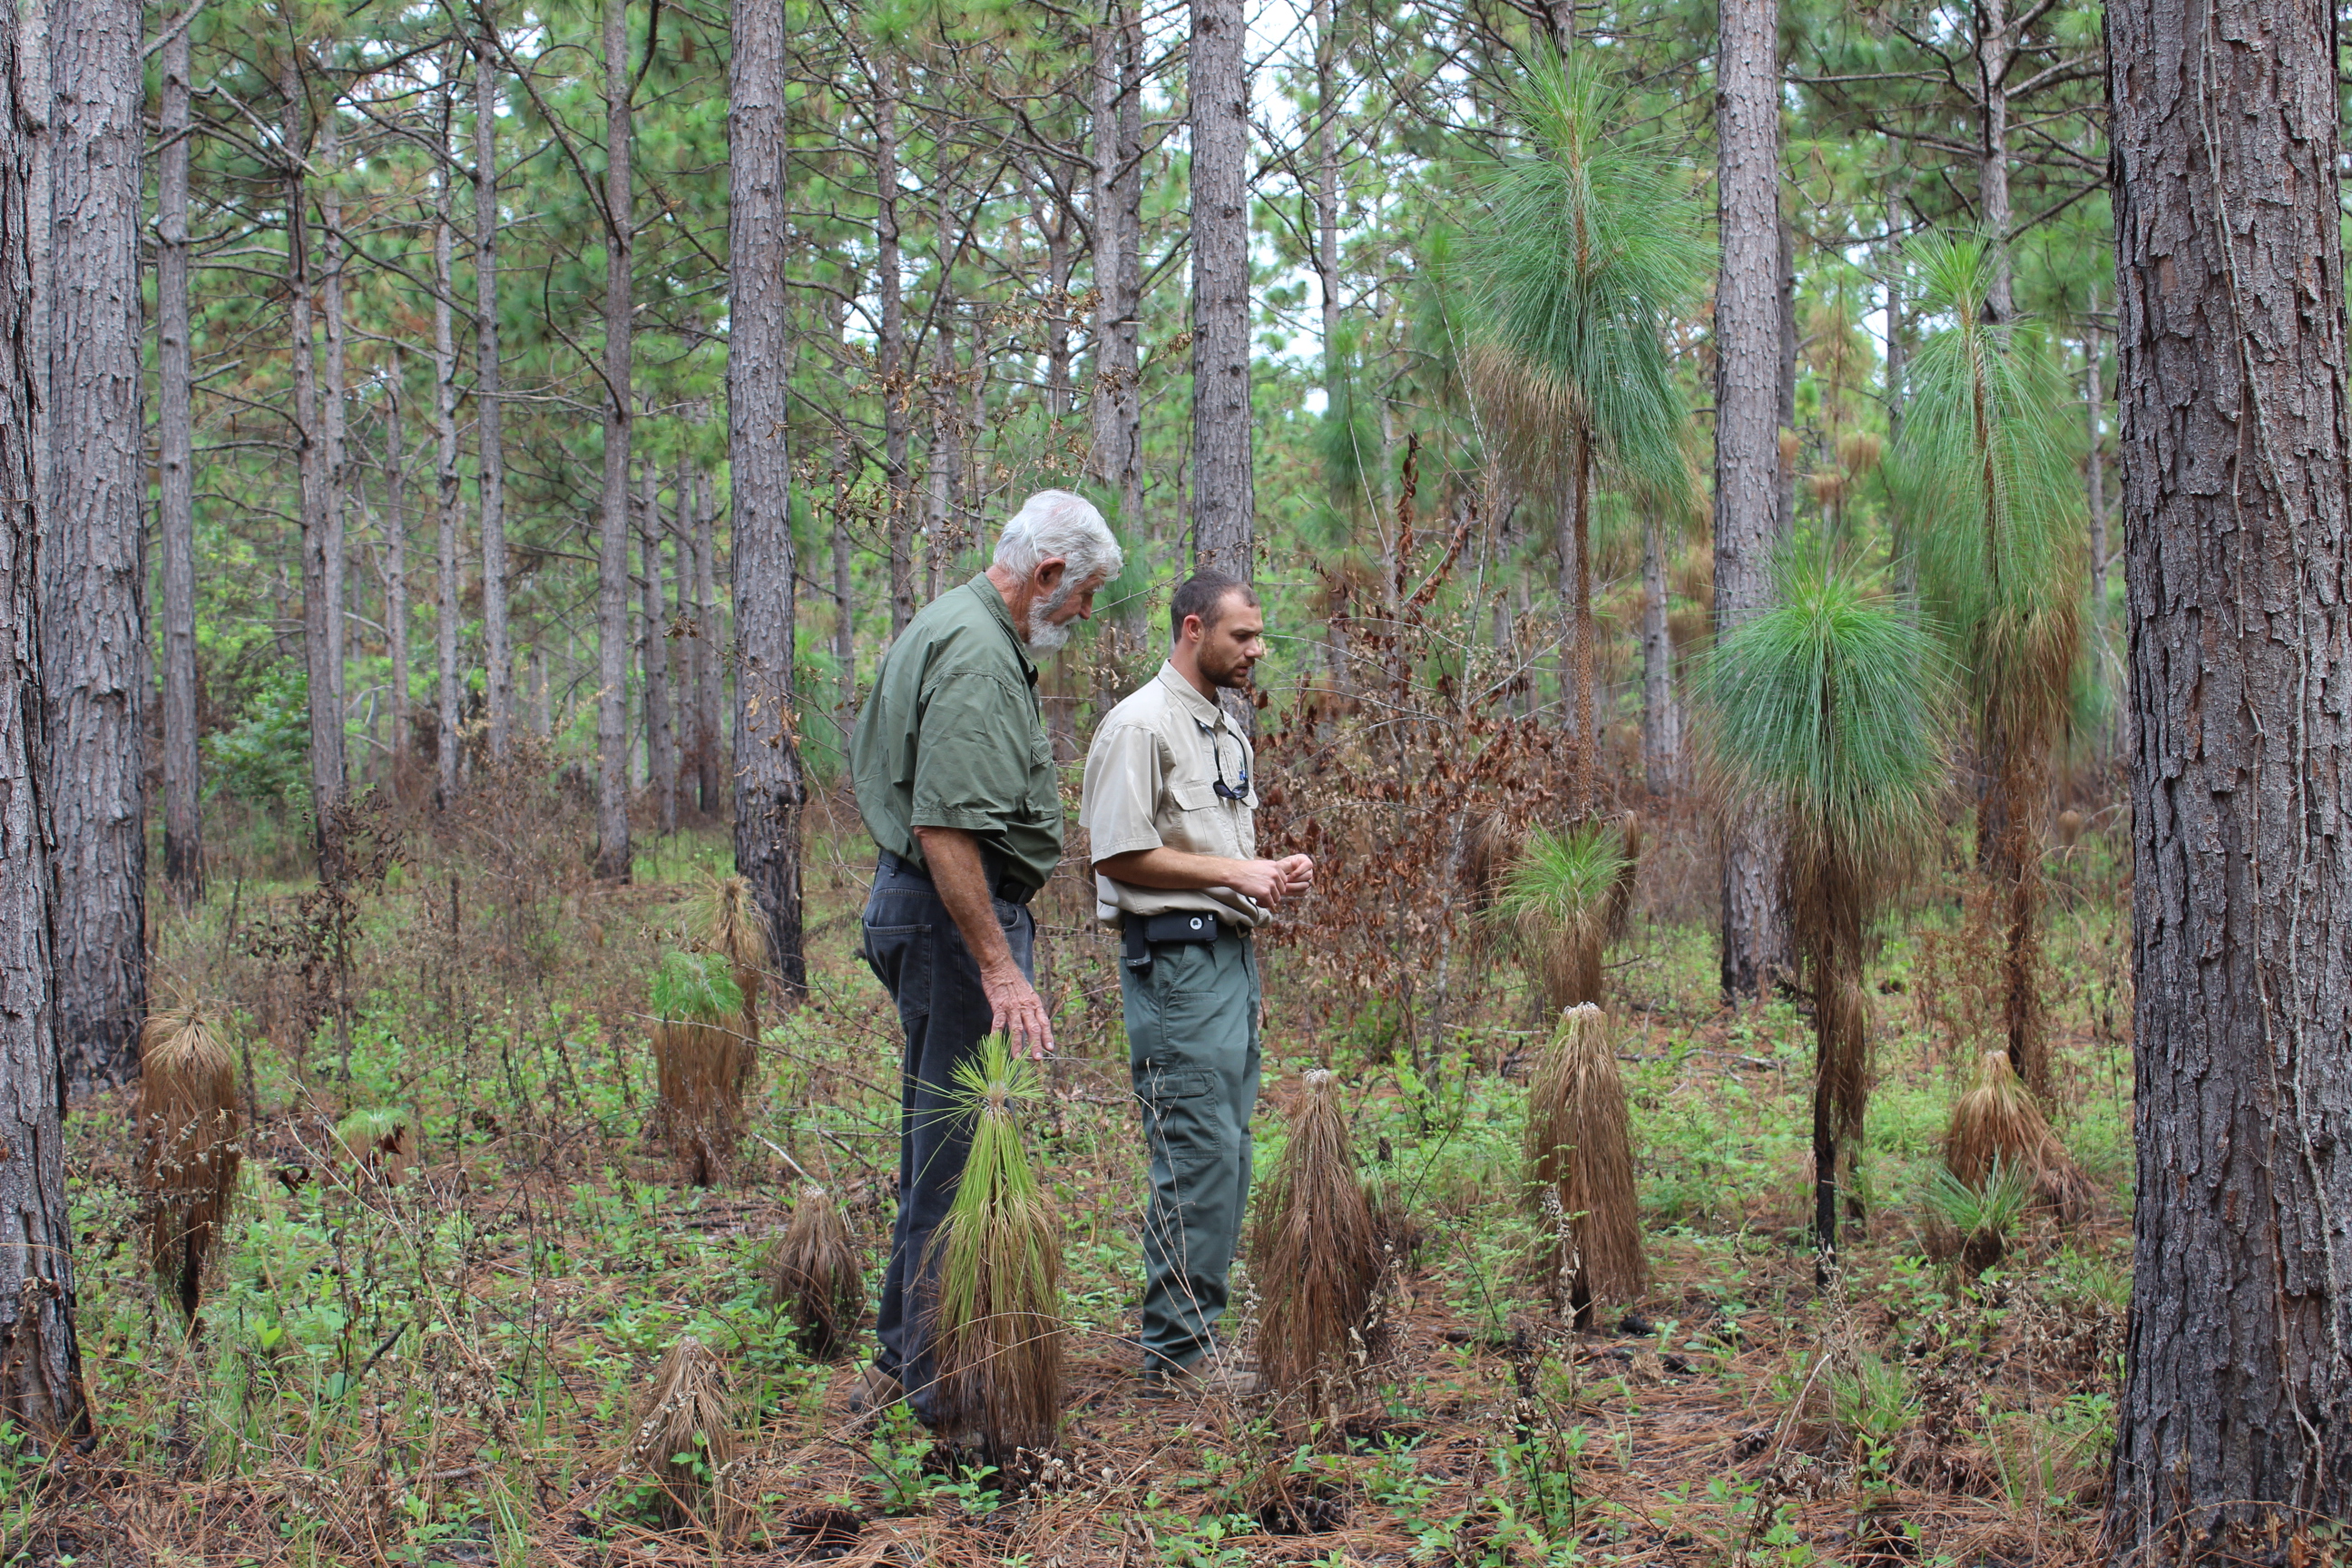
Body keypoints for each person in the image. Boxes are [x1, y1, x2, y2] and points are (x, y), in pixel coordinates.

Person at [848, 488, 1122, 1429]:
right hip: (948, 922)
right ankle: (945, 1399)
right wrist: (998, 965)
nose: (1083, 616)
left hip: (934, 917)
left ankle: (899, 1357)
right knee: (959, 1165)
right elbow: (944, 826)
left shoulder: (966, 629)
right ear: (1049, 575)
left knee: (938, 1149)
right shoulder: (974, 653)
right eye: (1082, 595)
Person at [1079, 571, 1315, 1392]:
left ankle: (1193, 1339)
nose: (1257, 650)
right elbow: (1116, 853)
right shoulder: (1140, 725)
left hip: (1227, 962)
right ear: (1192, 629)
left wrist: (1266, 872)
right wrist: (1232, 873)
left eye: (1259, 635)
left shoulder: (1223, 729)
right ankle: (1179, 1357)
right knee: (1197, 1151)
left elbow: (1206, 849)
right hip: (1176, 967)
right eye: (1242, 636)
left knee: (1231, 1153)